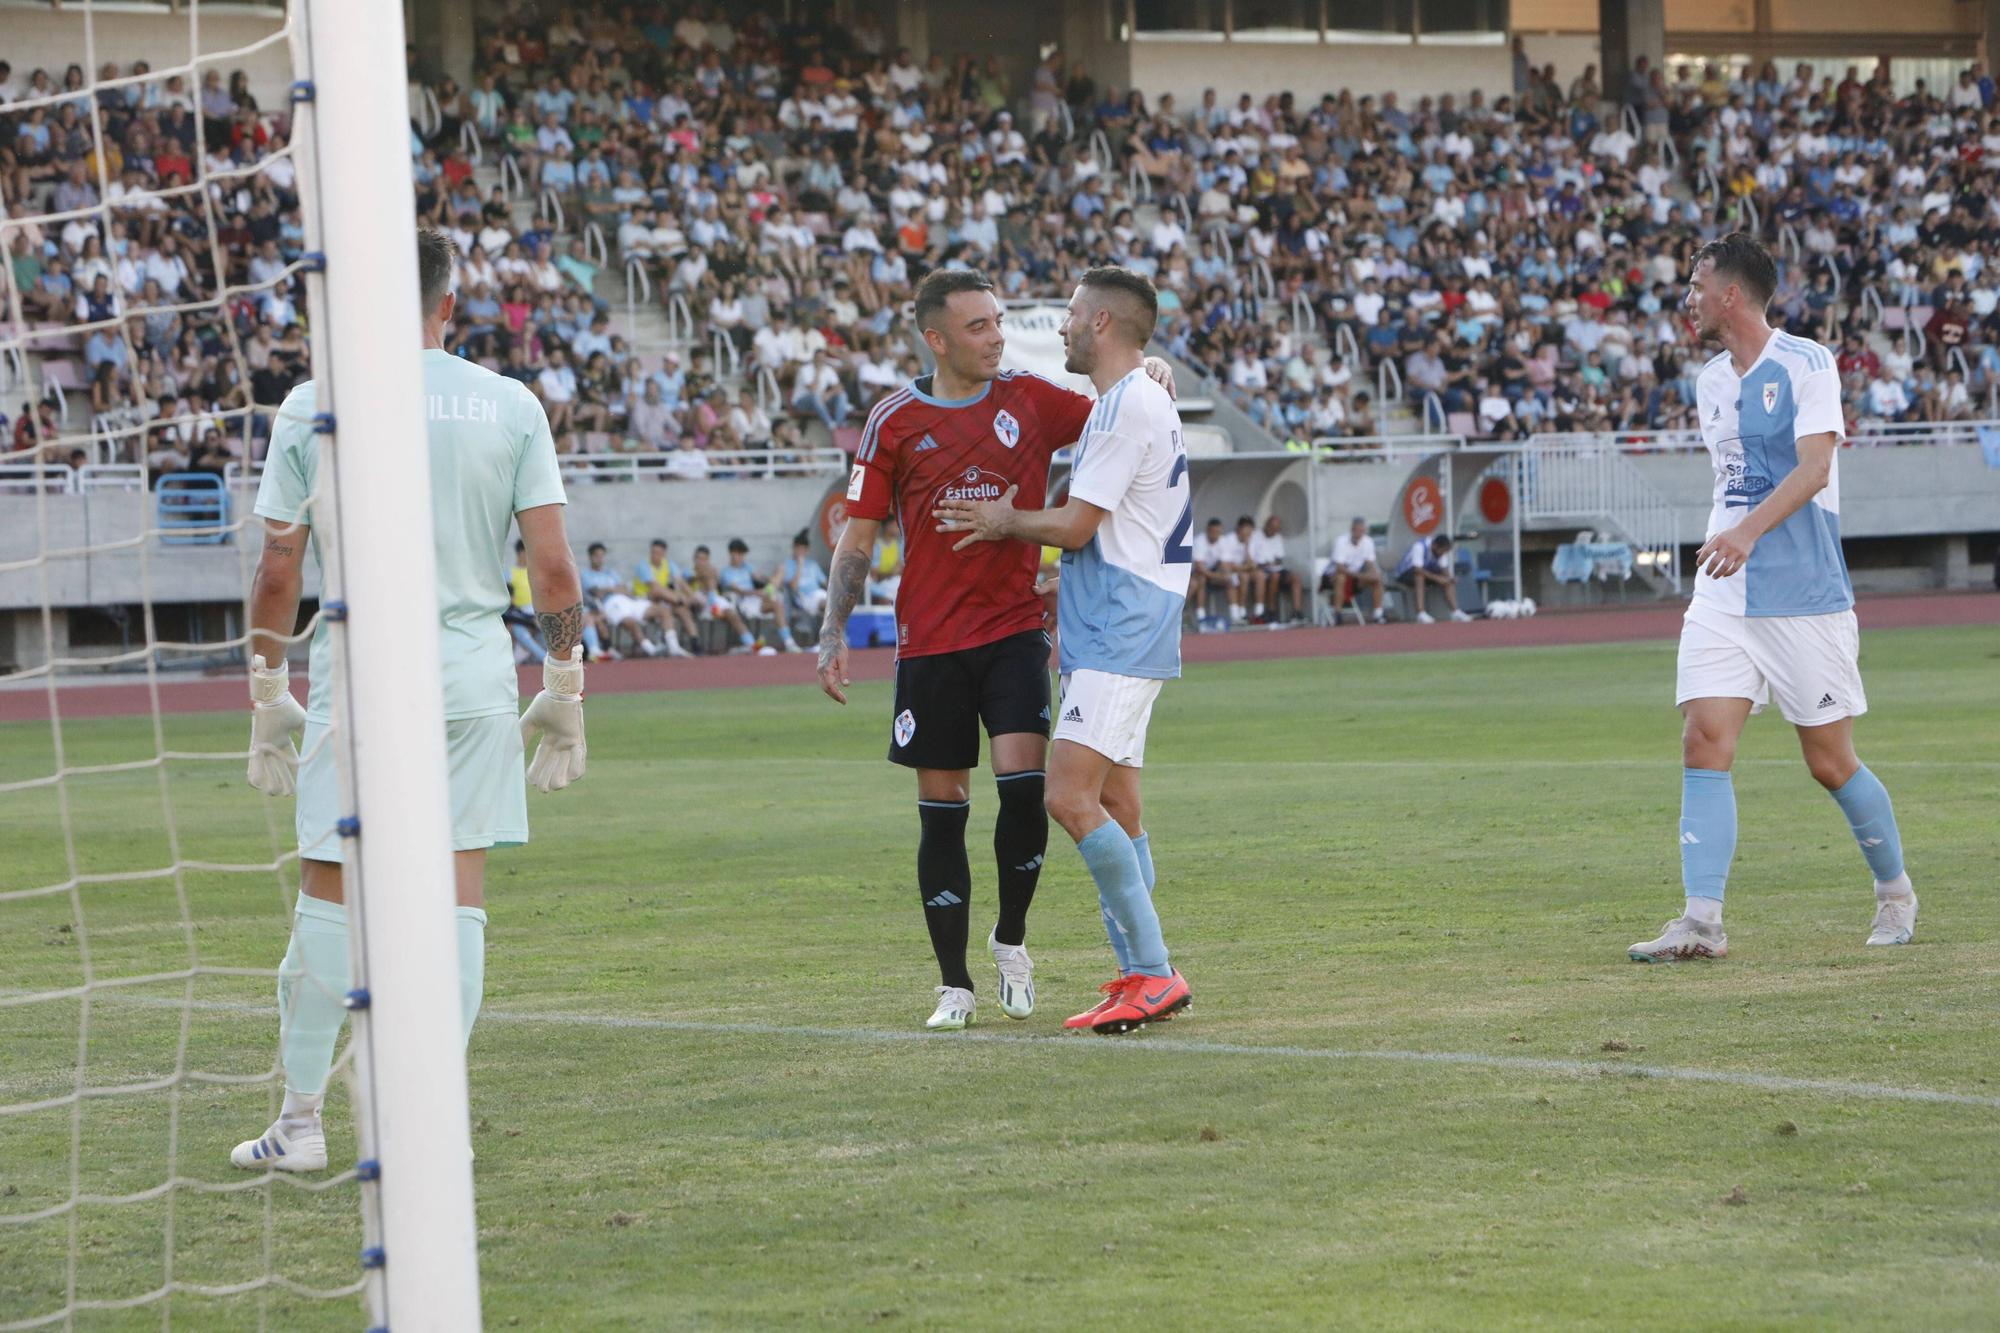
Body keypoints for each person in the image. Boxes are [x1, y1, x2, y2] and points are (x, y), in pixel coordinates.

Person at [234, 228, 585, 1173]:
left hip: (358, 688)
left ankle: (302, 1122)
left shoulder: (313, 406)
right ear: (449, 306)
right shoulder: (509, 403)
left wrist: (268, 688)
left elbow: (278, 565)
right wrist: (565, 684)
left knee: (329, 893)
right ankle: (427, 1122)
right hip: (470, 682)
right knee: (456, 897)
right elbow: (550, 566)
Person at [814, 266, 1174, 1031]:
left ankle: (1018, 941)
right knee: (942, 813)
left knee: (1034, 794)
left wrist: (1150, 366)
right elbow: (860, 532)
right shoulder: (894, 420)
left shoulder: (1030, 399)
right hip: (931, 643)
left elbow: (1118, 412)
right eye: (978, 326)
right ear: (936, 338)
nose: (997, 337)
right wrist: (833, 629)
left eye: (999, 321)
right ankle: (955, 984)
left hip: (1017, 633)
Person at [1630, 233, 1915, 962]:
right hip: (1724, 591)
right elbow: (1734, 481)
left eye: (1697, 286)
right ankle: (1701, 921)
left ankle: (1895, 892)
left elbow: (1816, 469)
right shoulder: (1708, 382)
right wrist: (1735, 538)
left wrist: (1749, 533)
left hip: (1803, 592)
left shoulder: (1806, 363)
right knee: (1704, 737)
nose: (1688, 300)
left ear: (1731, 293)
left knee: (1828, 759)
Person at [934, 265, 1193, 1035]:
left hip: (1121, 625)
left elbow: (1079, 524)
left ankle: (1153, 972)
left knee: (1067, 797)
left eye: (1075, 315)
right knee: (1117, 801)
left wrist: (1005, 521)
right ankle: (1141, 969)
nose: (1064, 326)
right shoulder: (1136, 396)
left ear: (1105, 324)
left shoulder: (1127, 404)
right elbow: (1114, 529)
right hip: (1119, 616)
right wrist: (1064, 576)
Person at [718, 536, 802, 652]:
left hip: (756, 599)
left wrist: (770, 581)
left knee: (776, 602)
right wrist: (756, 592)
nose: (741, 557)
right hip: (742, 601)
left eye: (742, 555)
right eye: (738, 554)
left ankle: (789, 642)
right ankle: (752, 645)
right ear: (731, 554)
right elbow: (739, 591)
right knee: (770, 591)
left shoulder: (747, 567)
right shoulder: (726, 572)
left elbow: (759, 577)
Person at [1393, 532, 1472, 623]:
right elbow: (1417, 569)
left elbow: (1444, 569)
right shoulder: (1419, 547)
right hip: (1404, 574)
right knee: (1420, 576)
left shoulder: (1440, 552)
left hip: (1425, 573)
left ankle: (1456, 612)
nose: (1442, 554)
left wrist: (1450, 578)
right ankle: (1421, 613)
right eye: (1442, 551)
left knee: (1447, 580)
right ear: (1435, 546)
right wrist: (1438, 578)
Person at [1324, 516, 1388, 623]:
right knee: (1341, 578)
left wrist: (1373, 574)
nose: (1359, 533)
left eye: (1362, 530)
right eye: (1357, 530)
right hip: (1334, 576)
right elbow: (1339, 568)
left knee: (1377, 578)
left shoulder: (1368, 542)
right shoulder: (1341, 541)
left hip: (1355, 577)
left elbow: (1370, 563)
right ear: (1352, 529)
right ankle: (1337, 614)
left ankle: (1378, 614)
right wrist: (1360, 575)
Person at [1249, 514, 1303, 623]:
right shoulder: (1255, 536)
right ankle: (1271, 611)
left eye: (1277, 529)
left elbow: (1279, 557)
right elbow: (1251, 558)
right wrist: (1265, 564)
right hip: (1260, 568)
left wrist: (1274, 563)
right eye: (1273, 528)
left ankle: (1297, 611)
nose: (1274, 531)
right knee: (1275, 576)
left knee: (1296, 577)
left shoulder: (1277, 537)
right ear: (1266, 526)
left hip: (1275, 568)